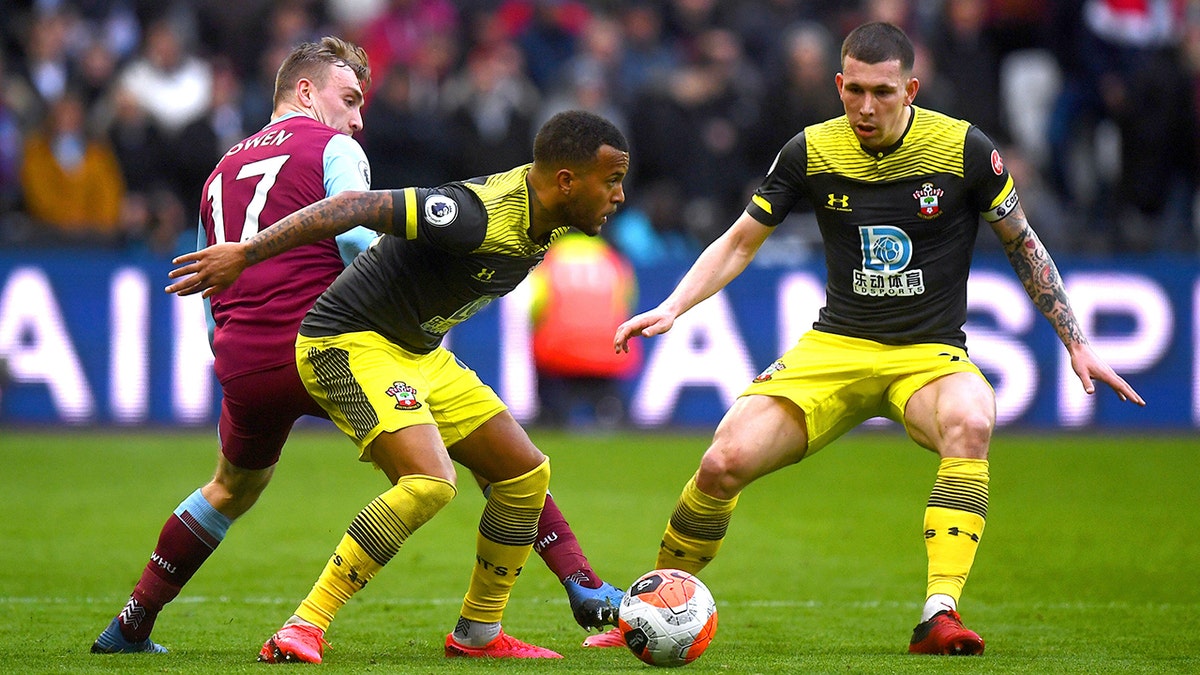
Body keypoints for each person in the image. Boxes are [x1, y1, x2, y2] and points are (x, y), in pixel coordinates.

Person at [610, 21, 1146, 656]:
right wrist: (673, 306)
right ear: (838, 84)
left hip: (929, 355)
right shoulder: (809, 150)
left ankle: (939, 613)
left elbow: (1023, 242)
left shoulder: (964, 150)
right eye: (854, 90)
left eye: (883, 92)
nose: (866, 107)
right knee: (721, 464)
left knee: (972, 421)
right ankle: (649, 613)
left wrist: (1075, 339)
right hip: (836, 347)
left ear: (911, 89)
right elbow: (740, 241)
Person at [92, 40, 622, 656]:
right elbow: (355, 238)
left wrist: (229, 345)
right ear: (306, 92)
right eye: (349, 100)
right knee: (445, 469)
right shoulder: (335, 149)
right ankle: (560, 589)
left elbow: (219, 273)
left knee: (229, 489)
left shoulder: (222, 168)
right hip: (339, 338)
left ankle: (131, 622)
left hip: (241, 352)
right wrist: (406, 288)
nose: (357, 118)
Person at [529, 229, 641, 428]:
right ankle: (612, 415)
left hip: (558, 353)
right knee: (608, 402)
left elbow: (534, 305)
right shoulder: (613, 258)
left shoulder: (550, 258)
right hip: (609, 350)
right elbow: (627, 302)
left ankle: (551, 419)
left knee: (552, 412)